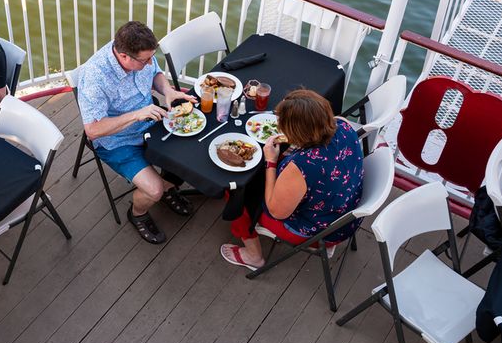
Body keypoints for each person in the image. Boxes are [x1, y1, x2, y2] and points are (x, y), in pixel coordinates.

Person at [78, 20, 197, 245]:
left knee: (190, 151)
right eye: (145, 60)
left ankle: (168, 186)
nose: (150, 62)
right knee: (153, 191)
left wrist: (168, 91)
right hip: (117, 141)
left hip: (150, 122)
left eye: (152, 56)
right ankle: (138, 214)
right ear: (124, 57)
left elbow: (156, 74)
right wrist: (136, 115)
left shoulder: (140, 56)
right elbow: (92, 130)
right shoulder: (95, 77)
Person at [220, 89, 364, 269]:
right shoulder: (343, 126)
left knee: (236, 192)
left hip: (316, 232)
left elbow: (276, 211)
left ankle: (253, 255)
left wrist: (271, 162)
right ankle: (328, 246)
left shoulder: (303, 165)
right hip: (344, 218)